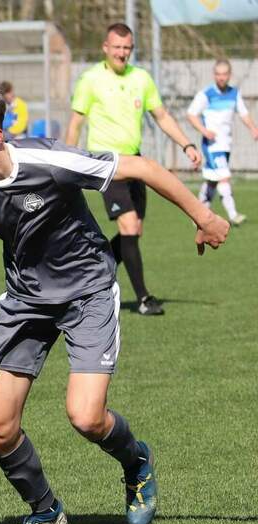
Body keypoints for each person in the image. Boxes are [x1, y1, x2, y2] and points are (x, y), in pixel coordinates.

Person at [0, 85, 228, 524]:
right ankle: (46, 512)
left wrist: (203, 216)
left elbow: (143, 168)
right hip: (27, 301)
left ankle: (136, 461)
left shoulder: (50, 162)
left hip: (87, 290)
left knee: (86, 417)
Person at [66, 23, 202, 317]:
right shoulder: (90, 79)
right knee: (128, 225)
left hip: (137, 164)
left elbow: (162, 116)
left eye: (127, 48)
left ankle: (88, 274)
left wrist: (187, 144)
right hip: (107, 164)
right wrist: (67, 165)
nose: (122, 53)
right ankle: (143, 298)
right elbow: (75, 123)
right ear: (105, 47)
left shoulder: (141, 78)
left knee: (133, 231)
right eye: (117, 47)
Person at [186, 59, 258, 226]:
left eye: (224, 74)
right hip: (212, 146)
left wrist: (253, 128)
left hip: (225, 144)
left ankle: (198, 216)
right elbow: (191, 114)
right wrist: (204, 131)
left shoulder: (234, 93)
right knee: (224, 177)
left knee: (212, 181)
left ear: (229, 75)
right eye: (218, 74)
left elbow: (244, 113)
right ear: (214, 75)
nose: (221, 77)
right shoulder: (206, 94)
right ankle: (233, 215)